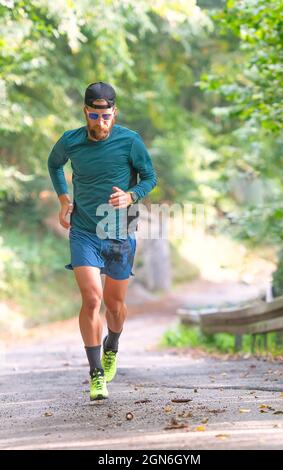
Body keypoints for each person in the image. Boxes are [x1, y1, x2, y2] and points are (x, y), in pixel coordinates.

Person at [48, 81, 157, 400]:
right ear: (86, 112)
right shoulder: (71, 140)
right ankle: (96, 374)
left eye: (106, 116)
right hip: (83, 230)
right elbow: (54, 164)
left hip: (120, 230)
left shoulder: (130, 141)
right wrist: (63, 198)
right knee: (92, 299)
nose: (101, 123)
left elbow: (150, 176)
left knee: (115, 305)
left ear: (114, 112)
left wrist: (132, 195)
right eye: (94, 117)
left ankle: (113, 346)